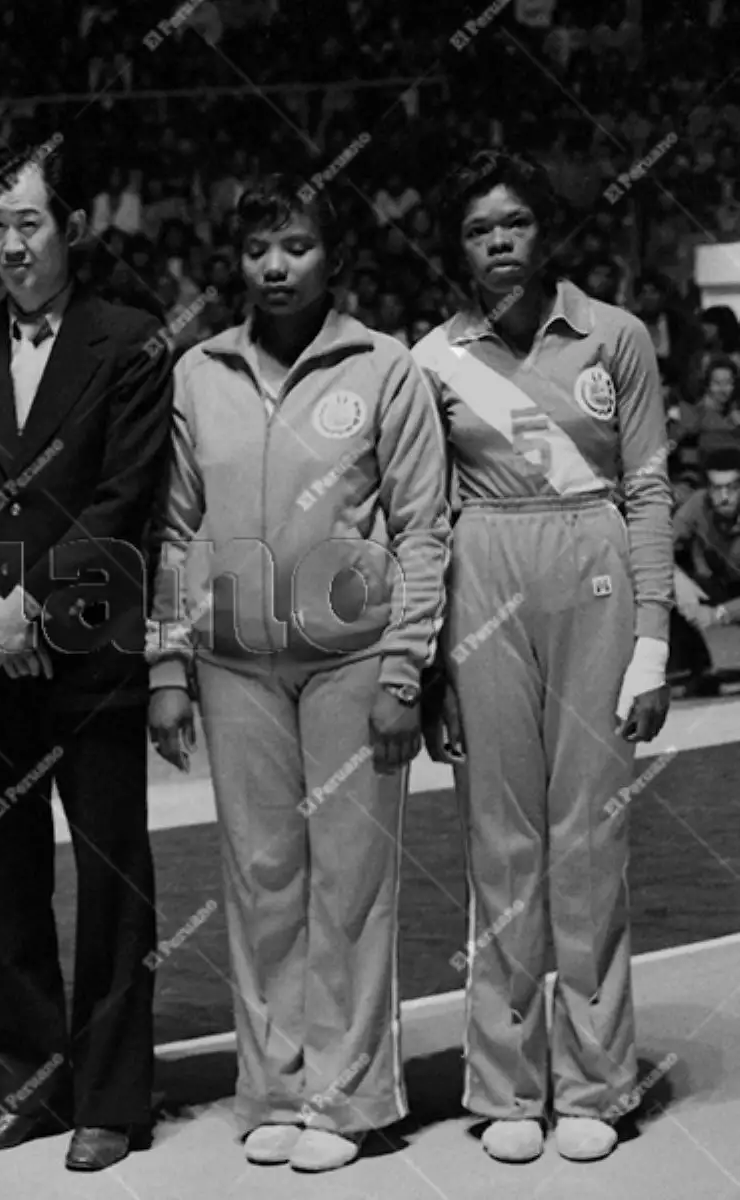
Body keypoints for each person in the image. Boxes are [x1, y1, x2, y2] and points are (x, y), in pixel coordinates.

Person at [147, 177, 451, 1172]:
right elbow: (176, 527)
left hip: (353, 664)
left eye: (296, 247)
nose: (275, 268)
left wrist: (407, 669)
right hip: (235, 669)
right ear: (232, 265)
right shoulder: (197, 373)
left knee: (353, 885)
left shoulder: (386, 367)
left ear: (334, 256)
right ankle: (274, 1086)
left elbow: (422, 531)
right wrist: (167, 661)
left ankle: (352, 1098)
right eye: (256, 251)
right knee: (262, 880)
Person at [0, 134, 174, 1174]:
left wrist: (35, 607)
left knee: (113, 878)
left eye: (29, 224)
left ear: (70, 227)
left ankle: (114, 1096)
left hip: (89, 646)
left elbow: (125, 499)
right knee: (6, 877)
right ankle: (29, 1087)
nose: (12, 246)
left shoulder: (133, 340)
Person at [414, 150, 672, 1166]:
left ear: (547, 230)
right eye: (481, 230)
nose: (502, 242)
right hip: (484, 575)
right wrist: (432, 659)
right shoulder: (429, 360)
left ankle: (599, 1084)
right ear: (461, 248)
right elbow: (423, 517)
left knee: (590, 839)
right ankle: (509, 1082)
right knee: (499, 839)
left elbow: (649, 487)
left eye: (517, 222)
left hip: (595, 567)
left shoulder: (618, 337)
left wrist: (653, 637)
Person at [670, 439, 740, 691]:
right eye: (716, 488)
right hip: (723, 583)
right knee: (659, 582)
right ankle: (695, 669)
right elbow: (656, 548)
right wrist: (679, 584)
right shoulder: (698, 504)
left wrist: (719, 614)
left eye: (732, 488)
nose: (723, 497)